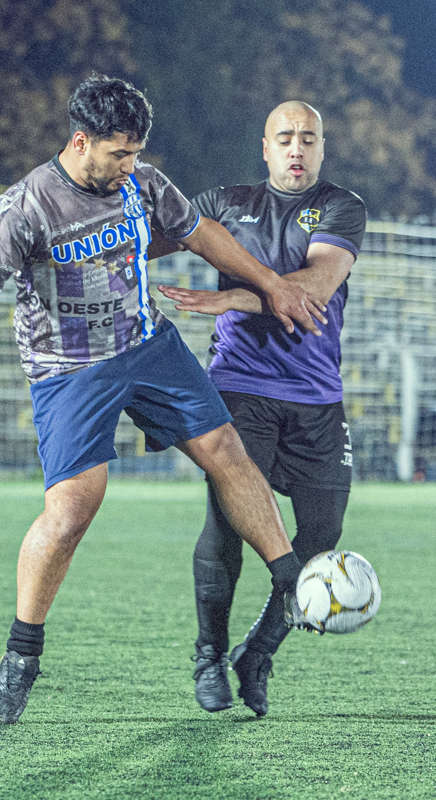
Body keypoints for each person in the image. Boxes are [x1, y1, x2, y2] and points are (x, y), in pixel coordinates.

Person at [0, 76, 325, 724]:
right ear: (81, 142)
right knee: (72, 511)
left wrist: (269, 283)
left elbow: (199, 232)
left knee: (225, 448)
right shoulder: (23, 210)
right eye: (119, 154)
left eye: (135, 153)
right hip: (68, 369)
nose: (130, 166)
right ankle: (22, 654)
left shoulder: (142, 183)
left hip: (146, 345)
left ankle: (290, 580)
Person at [156, 101, 366, 717]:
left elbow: (315, 288)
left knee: (322, 534)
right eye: (285, 137)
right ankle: (209, 656)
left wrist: (232, 300)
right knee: (228, 525)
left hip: (317, 395)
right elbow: (145, 239)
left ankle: (258, 652)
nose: (297, 148)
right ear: (266, 148)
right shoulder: (224, 203)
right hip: (240, 388)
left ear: (321, 148)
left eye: (309, 138)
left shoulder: (341, 206)